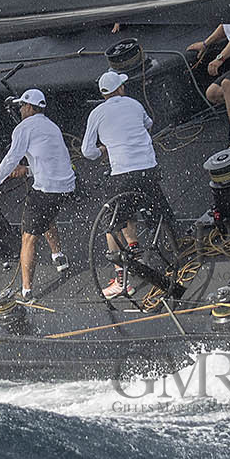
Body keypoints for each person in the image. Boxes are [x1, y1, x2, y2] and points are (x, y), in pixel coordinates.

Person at [0, 88, 75, 300]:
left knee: (28, 237)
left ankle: (27, 291)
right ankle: (58, 256)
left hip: (47, 189)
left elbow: (11, 158)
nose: (20, 109)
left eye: (22, 106)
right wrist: (27, 171)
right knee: (45, 215)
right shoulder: (52, 127)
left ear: (29, 107)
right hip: (65, 187)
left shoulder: (24, 128)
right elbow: (55, 161)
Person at [81, 71, 173, 299]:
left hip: (122, 175)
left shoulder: (97, 113)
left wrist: (103, 150)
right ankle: (171, 252)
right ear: (120, 88)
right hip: (149, 169)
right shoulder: (133, 103)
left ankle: (122, 282)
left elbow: (86, 151)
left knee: (111, 224)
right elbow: (148, 125)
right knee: (158, 212)